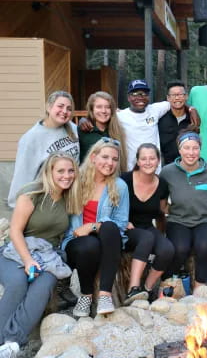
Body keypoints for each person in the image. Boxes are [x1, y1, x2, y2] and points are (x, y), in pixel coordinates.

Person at [0, 152, 81, 357]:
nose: (67, 175)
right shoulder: (31, 193)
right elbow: (15, 230)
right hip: (16, 251)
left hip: (49, 255)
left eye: (71, 171)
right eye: (60, 171)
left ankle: (12, 343)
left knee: (43, 287)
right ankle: (3, 340)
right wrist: (28, 261)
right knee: (18, 282)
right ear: (49, 172)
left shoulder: (70, 197)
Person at [160, 129, 207, 291]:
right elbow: (161, 197)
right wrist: (164, 214)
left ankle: (200, 286)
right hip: (179, 219)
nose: (191, 153)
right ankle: (167, 283)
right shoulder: (168, 172)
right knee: (180, 248)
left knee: (205, 246)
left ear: (200, 149)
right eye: (186, 148)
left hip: (206, 219)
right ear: (179, 150)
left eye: (195, 148)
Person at [62, 138, 129, 317]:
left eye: (114, 159)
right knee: (89, 246)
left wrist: (92, 226)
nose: (110, 163)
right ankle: (86, 295)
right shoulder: (76, 181)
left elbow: (121, 223)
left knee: (109, 227)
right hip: (76, 240)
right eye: (105, 157)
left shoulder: (120, 186)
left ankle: (105, 295)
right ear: (93, 157)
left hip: (106, 239)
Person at [120, 143, 174, 304]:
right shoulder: (124, 180)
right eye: (143, 158)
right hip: (124, 227)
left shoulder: (162, 184)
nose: (148, 162)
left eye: (152, 158)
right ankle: (133, 289)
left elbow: (162, 210)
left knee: (167, 249)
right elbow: (111, 204)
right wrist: (121, 221)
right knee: (147, 238)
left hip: (146, 227)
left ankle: (147, 288)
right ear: (137, 161)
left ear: (158, 161)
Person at [8, 91, 80, 208]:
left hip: (71, 194)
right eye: (60, 106)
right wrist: (16, 206)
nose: (64, 111)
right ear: (48, 107)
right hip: (47, 199)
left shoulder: (72, 128)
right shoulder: (31, 139)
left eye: (69, 108)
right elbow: (23, 175)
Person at [79, 80, 170, 172]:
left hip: (154, 169)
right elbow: (101, 116)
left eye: (144, 93)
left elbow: (174, 102)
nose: (140, 97)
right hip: (130, 170)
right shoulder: (120, 116)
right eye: (135, 93)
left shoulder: (156, 109)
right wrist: (84, 120)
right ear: (129, 97)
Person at [78, 91, 128, 171]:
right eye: (99, 107)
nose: (104, 111)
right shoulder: (82, 130)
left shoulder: (117, 131)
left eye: (107, 107)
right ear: (92, 109)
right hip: (87, 179)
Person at [158, 81, 200, 165]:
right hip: (165, 167)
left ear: (186, 96)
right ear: (168, 98)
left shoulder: (193, 119)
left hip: (188, 166)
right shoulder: (160, 118)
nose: (177, 98)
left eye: (180, 94)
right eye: (173, 95)